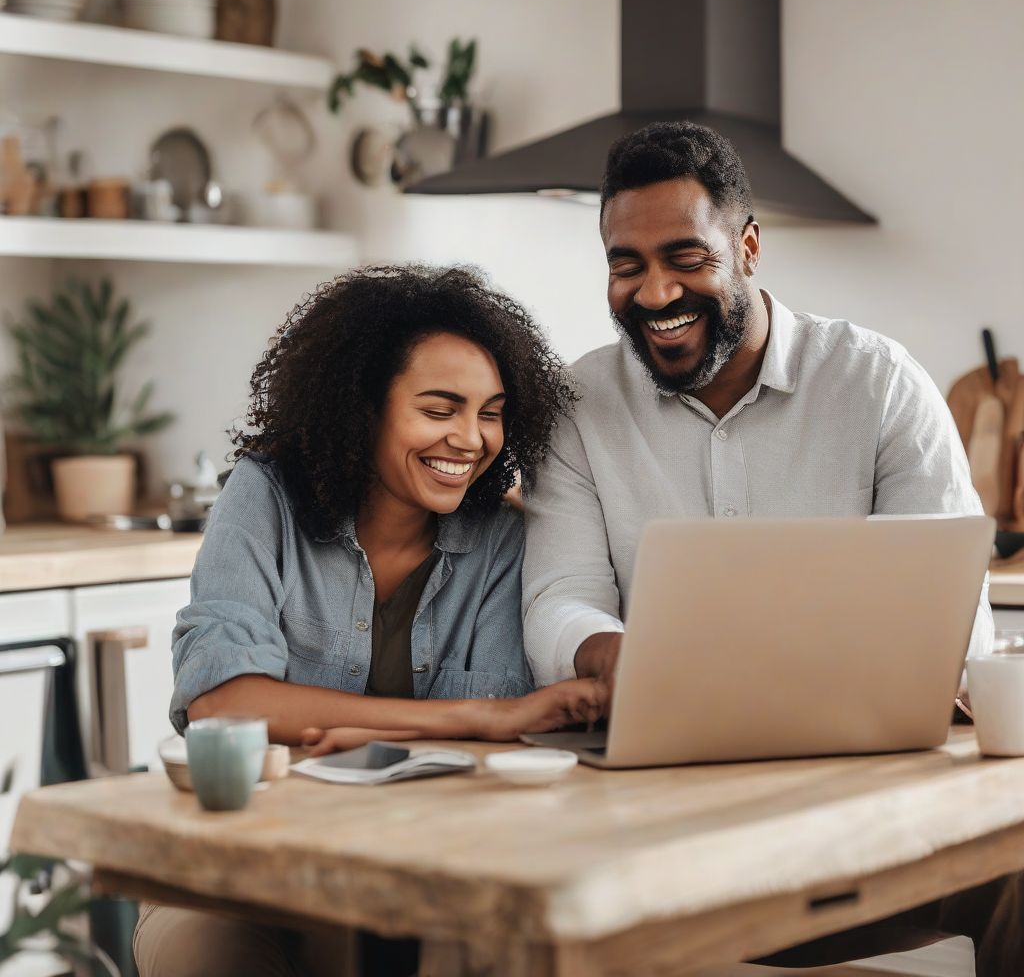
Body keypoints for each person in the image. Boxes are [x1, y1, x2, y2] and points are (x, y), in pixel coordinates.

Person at [521, 121, 1020, 974]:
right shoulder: (577, 402)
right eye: (626, 264)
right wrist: (626, 656)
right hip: (656, 797)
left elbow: (951, 628)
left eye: (686, 257)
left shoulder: (877, 382)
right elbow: (556, 599)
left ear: (748, 247)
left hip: (873, 792)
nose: (653, 293)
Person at [135, 264, 606, 977]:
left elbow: (502, 758)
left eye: (490, 411)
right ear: (363, 407)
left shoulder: (503, 544)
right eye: (440, 408)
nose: (471, 439)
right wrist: (467, 720)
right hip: (241, 870)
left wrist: (370, 727)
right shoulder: (265, 499)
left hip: (430, 872)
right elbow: (223, 703)